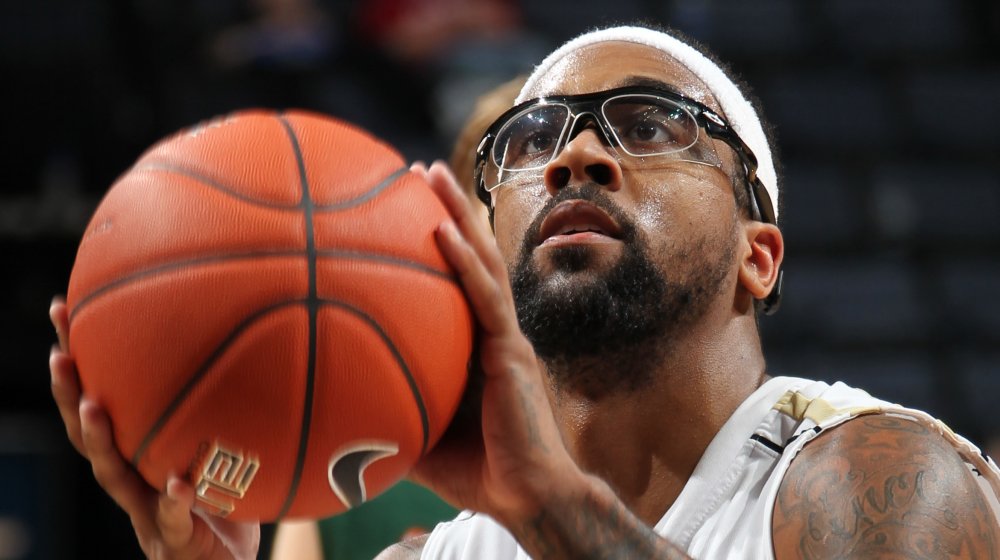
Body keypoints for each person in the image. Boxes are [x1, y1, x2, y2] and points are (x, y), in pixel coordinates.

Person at [49, 24, 1000, 559]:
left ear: (761, 255)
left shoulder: (874, 477)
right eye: (529, 141)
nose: (574, 157)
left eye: (651, 124)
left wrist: (548, 504)